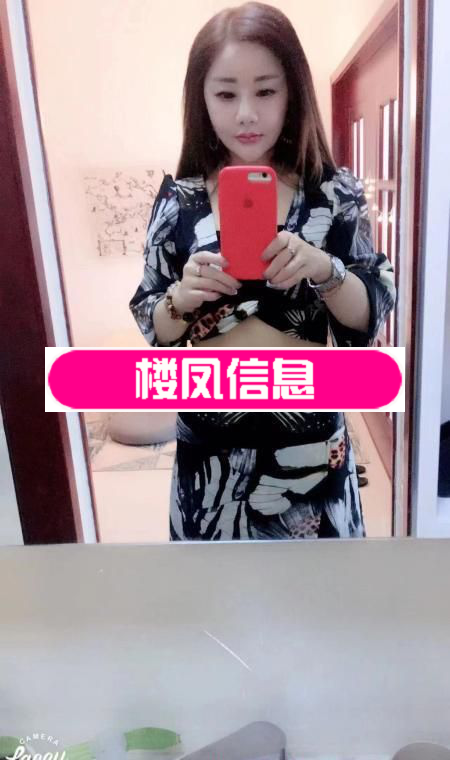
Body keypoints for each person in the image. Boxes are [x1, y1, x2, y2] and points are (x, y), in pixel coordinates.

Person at [130, 1, 396, 541]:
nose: (246, 113)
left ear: (292, 93)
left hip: (309, 445)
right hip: (209, 449)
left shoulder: (334, 195)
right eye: (226, 94)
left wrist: (325, 270)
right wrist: (181, 298)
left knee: (319, 591)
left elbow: (371, 310)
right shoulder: (178, 202)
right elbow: (151, 319)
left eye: (266, 91)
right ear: (202, 100)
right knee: (214, 593)